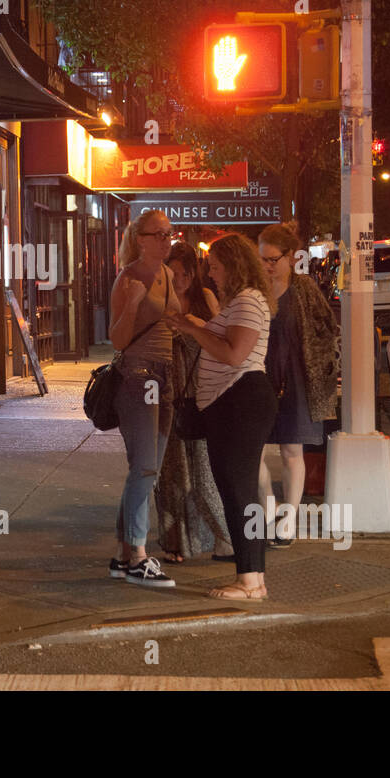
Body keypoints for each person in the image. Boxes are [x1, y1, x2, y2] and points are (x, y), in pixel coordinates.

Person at [166, 233, 278, 601]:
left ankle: (249, 580)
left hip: (240, 401)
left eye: (214, 267)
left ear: (233, 265)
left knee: (238, 492)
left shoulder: (247, 301)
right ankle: (253, 577)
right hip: (231, 403)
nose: (210, 274)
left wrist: (193, 328)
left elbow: (234, 354)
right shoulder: (243, 302)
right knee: (238, 492)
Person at [106, 209, 180, 587]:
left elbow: (178, 323)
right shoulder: (129, 277)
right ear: (141, 239)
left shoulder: (167, 275)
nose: (167, 240)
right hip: (138, 375)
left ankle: (124, 554)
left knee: (148, 468)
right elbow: (116, 339)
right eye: (160, 234)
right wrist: (134, 303)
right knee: (146, 468)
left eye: (170, 233)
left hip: (164, 377)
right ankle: (137, 554)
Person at [256, 223, 339, 548]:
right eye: (262, 258)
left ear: (290, 257)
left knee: (292, 450)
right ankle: (269, 508)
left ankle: (288, 518)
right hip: (259, 378)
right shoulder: (255, 289)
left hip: (295, 378)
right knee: (254, 451)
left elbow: (326, 328)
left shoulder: (304, 289)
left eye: (272, 259)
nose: (266, 265)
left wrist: (317, 366)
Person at [155, 241, 231, 564]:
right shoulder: (160, 301)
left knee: (204, 472)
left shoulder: (206, 299)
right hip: (169, 394)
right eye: (174, 273)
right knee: (172, 473)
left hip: (199, 393)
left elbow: (220, 342)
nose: (179, 279)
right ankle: (175, 542)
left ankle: (226, 537)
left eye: (185, 273)